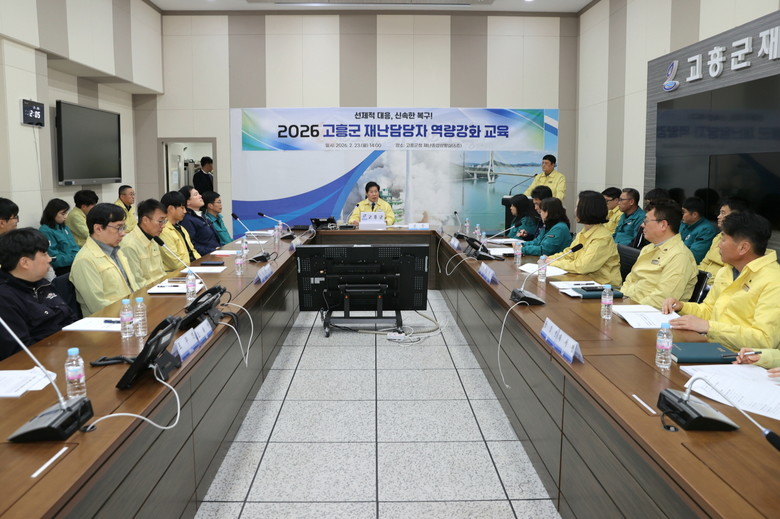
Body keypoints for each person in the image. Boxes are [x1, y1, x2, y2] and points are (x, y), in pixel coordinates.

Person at [662, 212, 780, 353]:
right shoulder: (727, 271)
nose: (718, 245)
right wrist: (681, 307)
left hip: (743, 359)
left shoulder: (774, 280)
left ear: (743, 248)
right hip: (713, 348)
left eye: (723, 239)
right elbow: (709, 310)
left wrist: (709, 327)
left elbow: (765, 340)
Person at [0, 229, 76, 361]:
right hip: (41, 361)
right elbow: (20, 351)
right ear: (25, 263)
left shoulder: (42, 283)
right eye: (44, 254)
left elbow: (70, 317)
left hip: (69, 349)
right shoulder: (5, 298)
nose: (49, 258)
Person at [621, 199, 697, 308]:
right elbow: (630, 281)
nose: (642, 225)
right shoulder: (648, 248)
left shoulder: (679, 256)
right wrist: (620, 301)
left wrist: (626, 308)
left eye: (646, 221)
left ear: (663, 225)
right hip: (627, 306)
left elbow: (661, 300)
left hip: (648, 313)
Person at [70, 203, 139, 316]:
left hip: (130, 312)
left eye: (123, 228)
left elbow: (132, 286)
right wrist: (131, 311)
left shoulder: (116, 250)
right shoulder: (85, 260)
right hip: (109, 320)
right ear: (98, 229)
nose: (123, 233)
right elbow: (98, 305)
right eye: (118, 228)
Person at [547, 191, 620, 286]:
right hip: (584, 281)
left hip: (603, 288)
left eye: (578, 207)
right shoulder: (584, 231)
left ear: (588, 210)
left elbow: (583, 267)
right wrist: (550, 259)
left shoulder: (602, 238)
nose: (575, 211)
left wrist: (553, 263)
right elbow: (569, 254)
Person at [121, 199, 167, 288]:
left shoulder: (153, 239)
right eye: (160, 221)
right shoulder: (129, 245)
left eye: (165, 221)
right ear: (145, 220)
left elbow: (161, 273)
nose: (163, 225)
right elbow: (137, 283)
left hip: (161, 288)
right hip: (146, 293)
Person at [698, 198, 748, 278]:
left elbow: (729, 272)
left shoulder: (739, 241)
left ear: (735, 216)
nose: (718, 216)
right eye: (719, 213)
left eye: (723, 213)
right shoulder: (718, 236)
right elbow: (705, 262)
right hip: (704, 279)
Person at [159, 191, 200, 271]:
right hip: (178, 273)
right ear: (171, 208)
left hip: (191, 268)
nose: (185, 211)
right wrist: (194, 266)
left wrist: (201, 263)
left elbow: (192, 251)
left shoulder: (181, 228)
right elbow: (174, 263)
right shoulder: (163, 230)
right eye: (182, 207)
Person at [39, 198, 80, 276]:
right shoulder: (45, 231)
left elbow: (74, 246)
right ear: (53, 213)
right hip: (62, 268)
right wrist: (74, 258)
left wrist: (79, 256)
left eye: (66, 213)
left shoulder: (64, 228)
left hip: (74, 263)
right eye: (63, 214)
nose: (65, 217)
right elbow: (54, 257)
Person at [179, 185, 220, 255]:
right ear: (188, 202)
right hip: (205, 257)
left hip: (215, 253)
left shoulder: (202, 215)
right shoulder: (187, 220)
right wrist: (212, 250)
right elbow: (192, 245)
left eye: (199, 194)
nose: (200, 196)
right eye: (196, 195)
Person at [678, 197, 717, 263]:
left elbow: (695, 256)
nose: (682, 215)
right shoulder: (684, 223)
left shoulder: (707, 230)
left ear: (694, 215)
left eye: (684, 212)